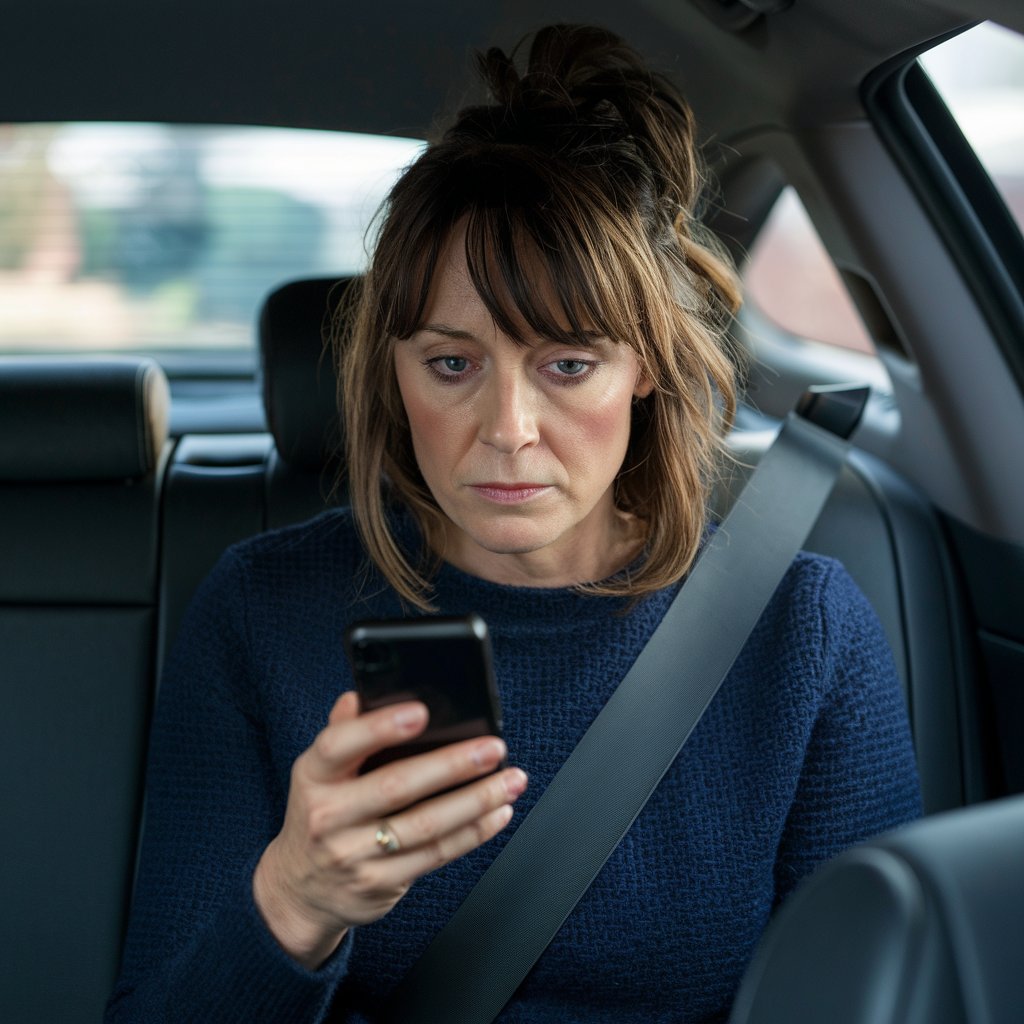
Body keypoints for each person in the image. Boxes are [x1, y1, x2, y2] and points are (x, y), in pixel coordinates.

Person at [106, 23, 921, 1023]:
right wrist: (294, 901)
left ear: (648, 368)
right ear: (393, 371)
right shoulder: (261, 613)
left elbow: (872, 996)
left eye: (568, 363)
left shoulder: (801, 633)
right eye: (452, 364)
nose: (506, 430)